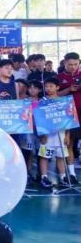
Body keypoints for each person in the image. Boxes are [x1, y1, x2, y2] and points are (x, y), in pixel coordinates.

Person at [39, 77, 71, 188]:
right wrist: (42, 134)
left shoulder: (64, 101)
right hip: (47, 135)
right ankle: (44, 177)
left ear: (57, 87)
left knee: (60, 157)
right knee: (44, 156)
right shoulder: (42, 101)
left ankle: (63, 177)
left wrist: (67, 135)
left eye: (51, 86)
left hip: (61, 134)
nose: (48, 88)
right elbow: (39, 119)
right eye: (46, 86)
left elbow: (69, 120)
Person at [56, 52, 81, 185]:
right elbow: (55, 94)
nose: (73, 67)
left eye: (76, 64)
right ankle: (71, 174)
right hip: (68, 117)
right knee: (69, 144)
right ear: (64, 62)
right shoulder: (58, 77)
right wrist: (69, 89)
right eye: (70, 64)